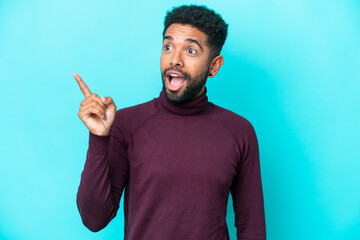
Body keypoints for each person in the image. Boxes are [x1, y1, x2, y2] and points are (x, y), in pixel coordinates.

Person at [75, 5, 266, 240]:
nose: (175, 60)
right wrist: (99, 138)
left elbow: (253, 229)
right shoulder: (125, 124)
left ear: (214, 66)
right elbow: (94, 220)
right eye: (168, 47)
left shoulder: (240, 132)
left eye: (191, 51)